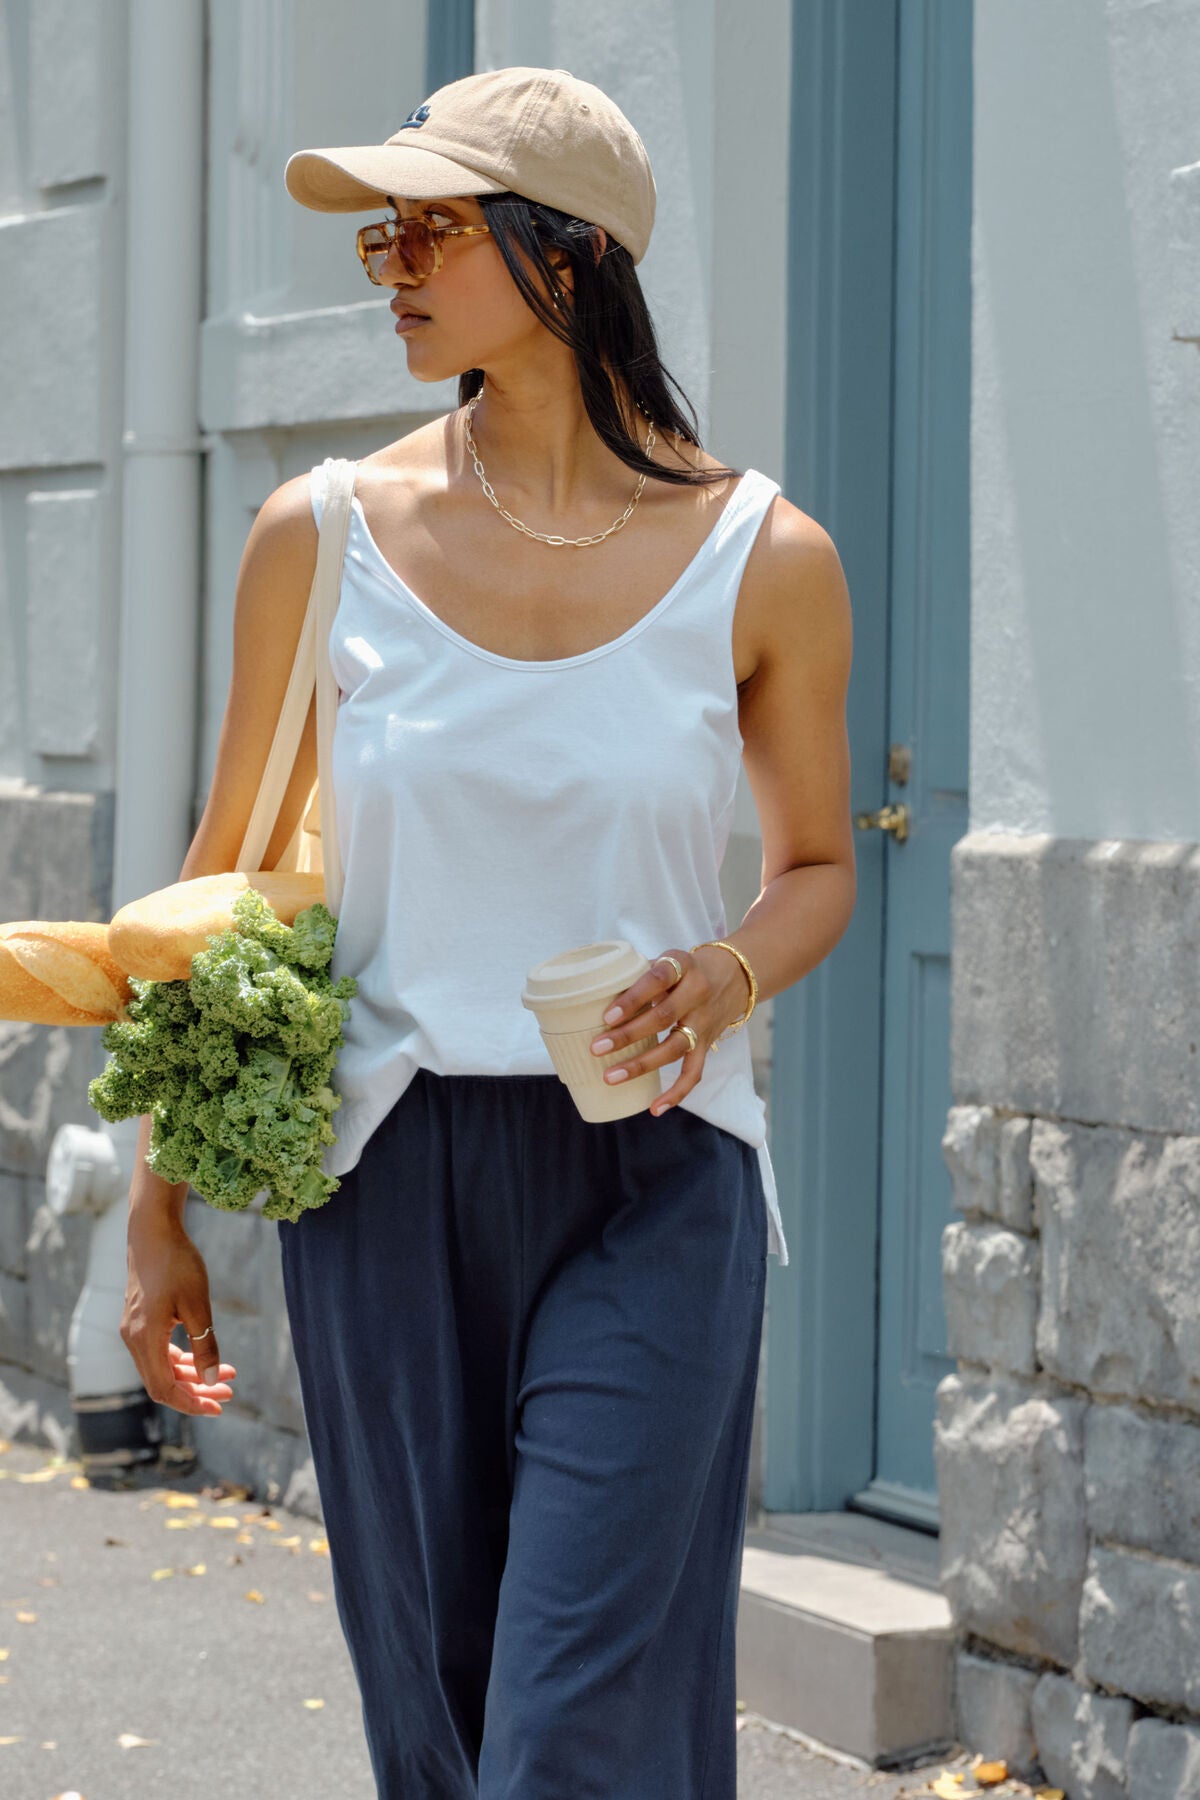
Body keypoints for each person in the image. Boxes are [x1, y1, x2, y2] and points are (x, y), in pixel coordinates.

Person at [121, 65, 855, 1800]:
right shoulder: (321, 537)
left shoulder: (765, 556)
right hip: (388, 1180)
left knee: (570, 1730)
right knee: (444, 1722)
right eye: (380, 236)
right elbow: (220, 881)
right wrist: (155, 1211)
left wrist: (728, 969)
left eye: (428, 231)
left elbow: (819, 863)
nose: (389, 268)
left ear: (571, 252)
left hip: (660, 1171)